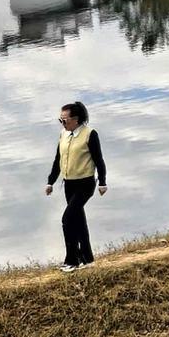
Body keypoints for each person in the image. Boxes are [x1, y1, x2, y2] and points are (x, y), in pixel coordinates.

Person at [44, 100, 106, 272]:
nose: (62, 123)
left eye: (65, 120)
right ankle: (87, 258)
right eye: (60, 120)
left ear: (76, 119)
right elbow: (58, 160)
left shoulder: (90, 134)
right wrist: (51, 181)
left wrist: (102, 182)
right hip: (69, 184)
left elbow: (99, 160)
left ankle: (72, 260)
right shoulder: (63, 134)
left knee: (67, 219)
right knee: (78, 220)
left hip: (85, 184)